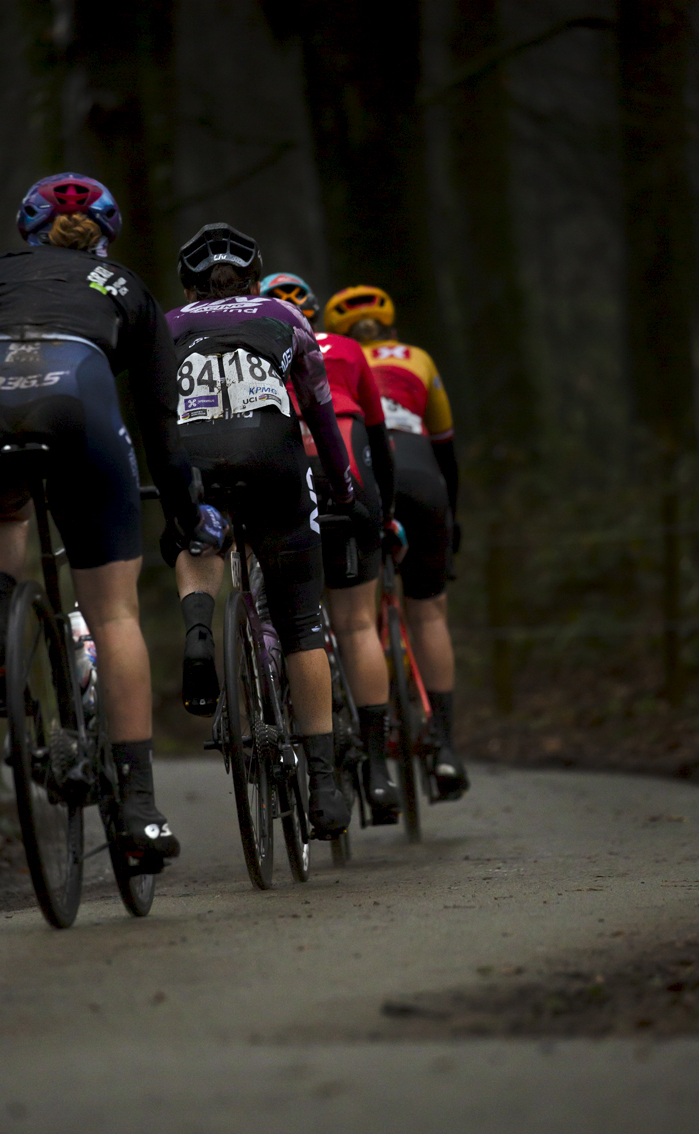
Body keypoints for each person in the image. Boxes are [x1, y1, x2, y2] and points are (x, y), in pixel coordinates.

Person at [0, 172, 216, 863]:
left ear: (27, 230)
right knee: (114, 613)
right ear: (108, 234)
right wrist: (184, 514)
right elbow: (160, 423)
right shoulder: (126, 288)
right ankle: (140, 810)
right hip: (77, 403)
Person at [163, 225, 373, 839]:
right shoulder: (284, 315)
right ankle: (325, 784)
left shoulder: (169, 323)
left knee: (199, 539)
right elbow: (319, 412)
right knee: (302, 623)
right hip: (273, 459)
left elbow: (151, 412)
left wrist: (164, 483)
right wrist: (343, 487)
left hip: (196, 459)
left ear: (188, 285)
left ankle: (199, 629)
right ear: (255, 280)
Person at [260, 271, 401, 825]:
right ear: (313, 314)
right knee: (359, 626)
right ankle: (377, 771)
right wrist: (384, 515)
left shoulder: (251, 347)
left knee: (294, 623)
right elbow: (379, 434)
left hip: (287, 484)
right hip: (347, 483)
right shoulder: (344, 349)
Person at [324, 285, 469, 799]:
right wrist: (451, 520)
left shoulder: (331, 356)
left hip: (362, 474)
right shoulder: (418, 359)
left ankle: (362, 742)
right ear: (391, 326)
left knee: (352, 616)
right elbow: (445, 446)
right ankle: (446, 747)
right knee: (428, 612)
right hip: (422, 479)